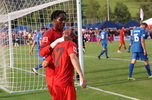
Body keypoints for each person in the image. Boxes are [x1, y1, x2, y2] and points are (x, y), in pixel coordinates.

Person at [43, 29, 87, 100]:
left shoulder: (56, 46)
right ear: (72, 37)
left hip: (56, 83)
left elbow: (44, 64)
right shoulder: (70, 43)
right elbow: (73, 58)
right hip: (66, 83)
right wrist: (81, 76)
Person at [39, 10, 67, 100]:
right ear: (54, 20)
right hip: (52, 72)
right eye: (61, 19)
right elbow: (42, 52)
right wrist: (50, 58)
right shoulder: (48, 33)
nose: (64, 22)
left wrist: (49, 58)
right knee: (57, 97)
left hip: (64, 71)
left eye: (65, 19)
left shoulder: (65, 33)